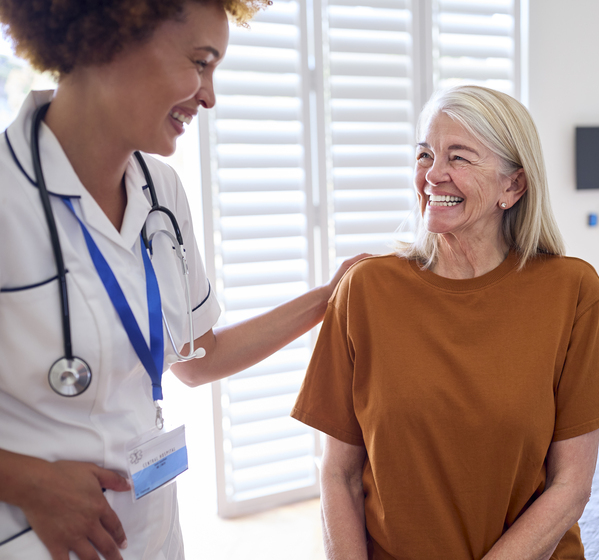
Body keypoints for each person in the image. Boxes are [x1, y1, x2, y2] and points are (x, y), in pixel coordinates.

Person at [0, 2, 367, 559]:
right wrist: (24, 479)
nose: (209, 95)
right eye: (200, 62)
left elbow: (197, 359)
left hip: (151, 533)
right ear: (110, 39)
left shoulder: (160, 191)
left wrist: (328, 299)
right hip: (33, 538)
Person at [291, 85, 599, 560]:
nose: (433, 175)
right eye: (425, 154)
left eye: (459, 157)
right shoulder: (365, 290)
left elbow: (571, 486)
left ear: (512, 187)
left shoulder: (574, 292)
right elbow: (339, 474)